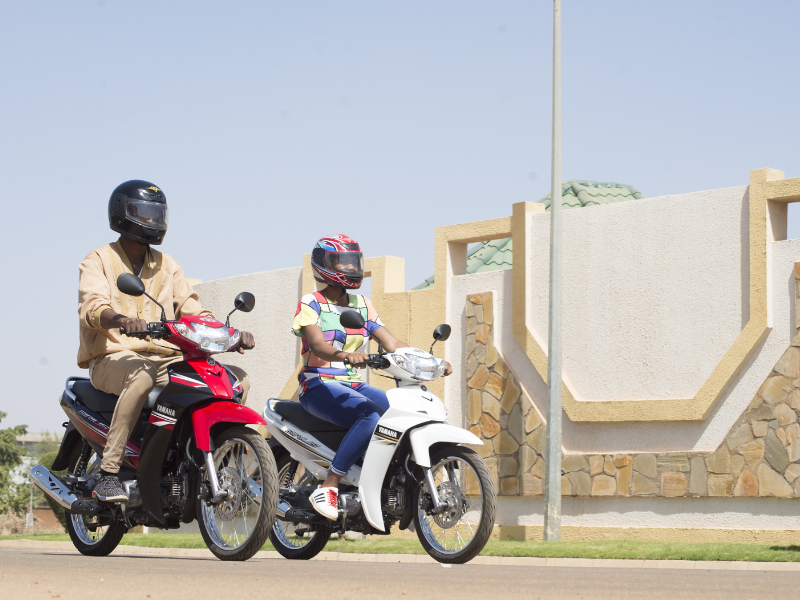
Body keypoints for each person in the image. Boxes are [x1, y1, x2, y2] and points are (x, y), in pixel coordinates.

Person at [77, 180, 255, 503]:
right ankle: (109, 473)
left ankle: (206, 460)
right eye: (144, 213)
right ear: (122, 214)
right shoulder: (99, 259)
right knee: (142, 375)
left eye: (157, 214)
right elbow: (92, 307)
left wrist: (229, 334)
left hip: (166, 358)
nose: (152, 221)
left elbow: (193, 309)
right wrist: (122, 320)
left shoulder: (167, 264)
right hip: (113, 356)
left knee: (234, 380)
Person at [292, 235, 452, 520]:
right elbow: (317, 345)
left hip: (353, 384)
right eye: (342, 262)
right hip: (318, 383)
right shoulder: (311, 302)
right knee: (370, 415)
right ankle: (330, 485)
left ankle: (386, 481)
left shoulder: (362, 304)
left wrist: (429, 361)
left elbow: (391, 343)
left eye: (354, 262)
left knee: (399, 413)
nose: (351, 268)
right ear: (323, 265)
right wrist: (345, 355)